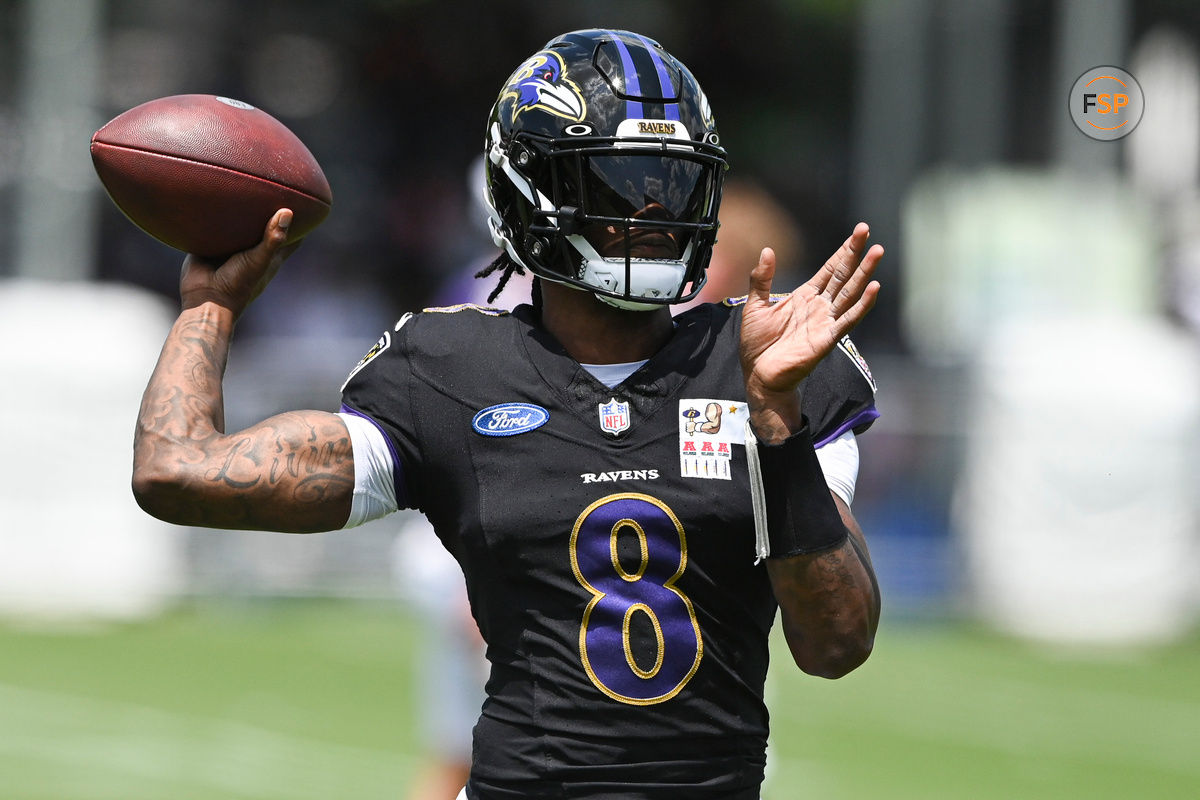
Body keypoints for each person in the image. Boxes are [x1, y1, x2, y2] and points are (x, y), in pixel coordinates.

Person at [132, 29, 883, 800]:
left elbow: (837, 645)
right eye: (621, 183)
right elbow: (175, 471)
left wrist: (776, 426)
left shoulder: (770, 367)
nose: (657, 209)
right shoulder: (452, 371)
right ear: (532, 193)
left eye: (674, 181)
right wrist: (211, 306)